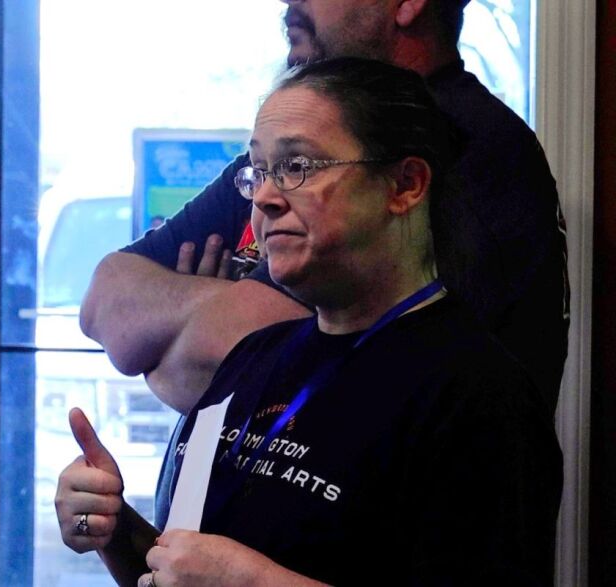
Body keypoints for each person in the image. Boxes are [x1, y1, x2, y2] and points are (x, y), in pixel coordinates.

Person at [58, 58, 563, 587]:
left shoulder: (478, 394)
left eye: (297, 166)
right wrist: (113, 528)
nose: (264, 198)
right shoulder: (253, 358)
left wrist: (253, 582)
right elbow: (180, 570)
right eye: (259, 172)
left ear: (404, 185)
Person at [80, 0, 568, 421]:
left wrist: (170, 342)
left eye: (300, 167)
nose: (288, 1)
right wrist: (214, 306)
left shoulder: (465, 147)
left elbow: (215, 358)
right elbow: (104, 301)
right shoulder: (290, 146)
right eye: (269, 170)